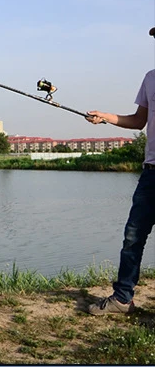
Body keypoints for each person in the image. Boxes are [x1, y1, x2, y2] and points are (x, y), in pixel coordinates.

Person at [84, 26, 155, 314]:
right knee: (133, 236)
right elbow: (139, 121)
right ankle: (123, 298)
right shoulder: (151, 78)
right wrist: (106, 117)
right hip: (151, 173)